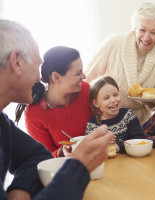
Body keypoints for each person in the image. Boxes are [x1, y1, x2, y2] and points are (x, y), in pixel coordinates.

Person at [0, 19, 113, 200]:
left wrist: (20, 191)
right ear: (16, 62)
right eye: (37, 66)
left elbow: (36, 156)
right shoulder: (33, 112)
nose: (39, 77)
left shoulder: (2, 122)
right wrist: (79, 165)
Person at [85, 2, 155, 125]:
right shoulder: (114, 43)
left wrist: (152, 102)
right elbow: (88, 78)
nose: (146, 37)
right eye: (142, 30)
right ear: (135, 28)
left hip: (139, 124)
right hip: (106, 121)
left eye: (153, 32)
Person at [16, 46, 94, 158]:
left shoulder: (85, 90)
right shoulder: (35, 113)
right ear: (56, 77)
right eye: (78, 73)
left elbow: (103, 118)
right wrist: (62, 152)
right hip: (67, 169)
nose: (84, 76)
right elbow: (44, 156)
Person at [85, 76, 145, 153]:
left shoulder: (128, 115)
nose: (113, 100)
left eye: (115, 95)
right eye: (106, 98)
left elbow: (139, 140)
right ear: (96, 103)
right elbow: (90, 148)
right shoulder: (92, 124)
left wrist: (118, 147)